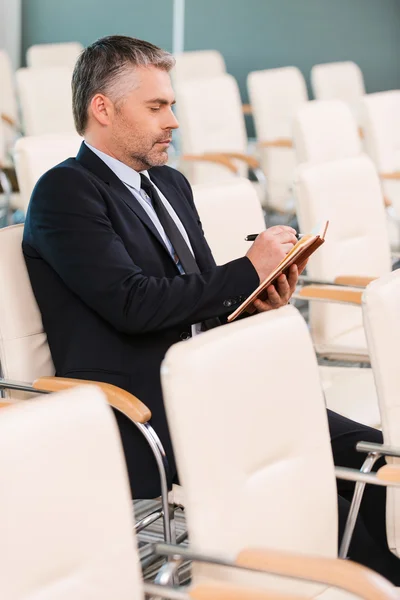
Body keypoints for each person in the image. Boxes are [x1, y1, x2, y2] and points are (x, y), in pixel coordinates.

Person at [22, 36, 400, 582]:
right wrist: (246, 268)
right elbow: (133, 303)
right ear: (102, 108)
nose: (173, 120)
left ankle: (375, 575)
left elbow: (194, 294)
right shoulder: (66, 192)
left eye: (171, 104)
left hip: (213, 382)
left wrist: (255, 296)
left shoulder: (170, 185)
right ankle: (353, 581)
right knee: (325, 494)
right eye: (156, 107)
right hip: (142, 408)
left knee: (370, 457)